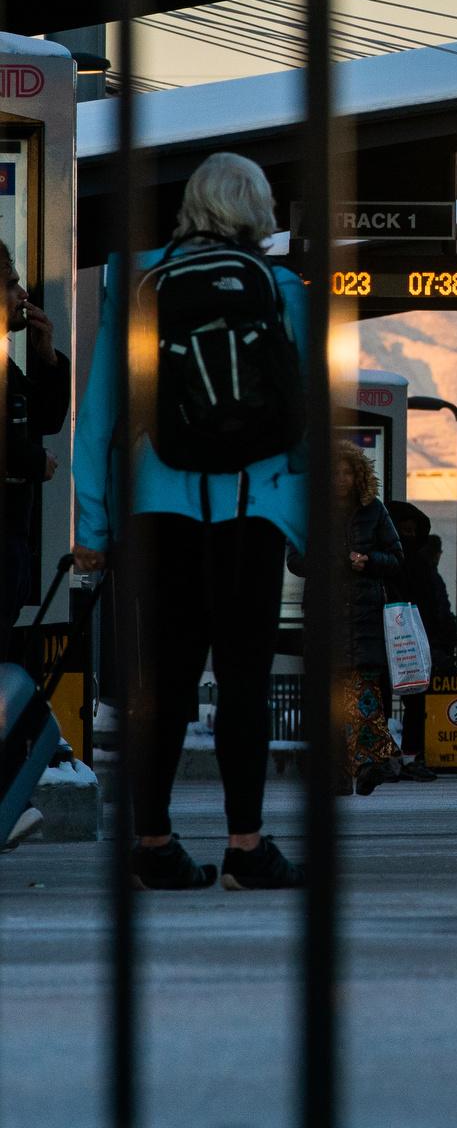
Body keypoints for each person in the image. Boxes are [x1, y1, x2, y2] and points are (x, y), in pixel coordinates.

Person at [73, 152, 306, 890]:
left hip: (158, 510)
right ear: (260, 210)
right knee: (244, 682)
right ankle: (246, 844)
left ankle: (152, 841)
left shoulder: (138, 284)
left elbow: (101, 414)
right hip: (251, 509)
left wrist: (94, 527)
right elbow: (301, 419)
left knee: (162, 684)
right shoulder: (283, 289)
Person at [289, 444, 405, 796]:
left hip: (364, 619)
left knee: (363, 693)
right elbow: (296, 560)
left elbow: (397, 557)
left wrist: (368, 560)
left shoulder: (374, 511)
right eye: (335, 473)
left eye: (347, 472)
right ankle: (345, 770)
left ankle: (372, 761)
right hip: (326, 620)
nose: (341, 480)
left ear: (359, 476)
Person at [0, 240, 72, 659]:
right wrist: (34, 462)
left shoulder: (7, 361)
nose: (23, 295)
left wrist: (48, 359)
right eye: (11, 285)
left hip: (15, 535)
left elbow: (45, 420)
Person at [386, 500, 452, 780]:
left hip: (397, 640)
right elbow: (438, 608)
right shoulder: (421, 565)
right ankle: (407, 757)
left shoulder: (393, 562)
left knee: (391, 701)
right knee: (415, 703)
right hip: (414, 642)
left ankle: (388, 758)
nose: (408, 536)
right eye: (404, 530)